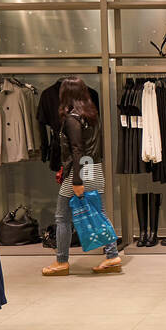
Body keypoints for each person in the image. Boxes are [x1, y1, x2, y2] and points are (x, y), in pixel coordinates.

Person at [42, 76, 122, 276]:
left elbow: (77, 150)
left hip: (79, 172)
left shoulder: (72, 119)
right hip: (93, 168)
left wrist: (76, 180)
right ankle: (112, 256)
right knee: (98, 213)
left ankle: (61, 262)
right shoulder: (91, 116)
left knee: (62, 217)